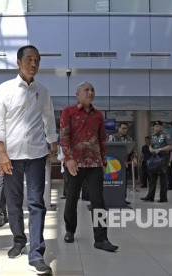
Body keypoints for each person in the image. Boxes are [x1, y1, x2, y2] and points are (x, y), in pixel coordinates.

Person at [0, 45, 58, 275]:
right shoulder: (6, 88)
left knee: (36, 202)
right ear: (18, 62)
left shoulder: (43, 90)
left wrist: (53, 142)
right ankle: (19, 239)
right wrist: (1, 153)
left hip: (37, 155)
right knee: (13, 201)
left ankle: (36, 253)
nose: (34, 63)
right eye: (29, 59)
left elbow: (49, 119)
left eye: (37, 60)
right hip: (11, 156)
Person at [60, 81, 119, 253]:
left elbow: (102, 139)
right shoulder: (68, 112)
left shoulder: (99, 115)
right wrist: (69, 159)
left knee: (98, 201)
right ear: (77, 94)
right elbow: (64, 137)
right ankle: (70, 230)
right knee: (71, 199)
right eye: (86, 90)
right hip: (75, 164)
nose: (90, 92)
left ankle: (101, 239)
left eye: (92, 89)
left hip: (94, 163)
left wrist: (104, 161)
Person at [141, 120, 172, 203]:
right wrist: (151, 149)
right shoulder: (153, 136)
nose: (156, 128)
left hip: (163, 157)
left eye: (158, 126)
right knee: (152, 176)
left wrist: (159, 149)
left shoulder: (166, 135)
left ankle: (163, 198)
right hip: (154, 157)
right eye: (155, 126)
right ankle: (150, 196)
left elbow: (171, 146)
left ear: (162, 127)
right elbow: (150, 146)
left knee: (163, 177)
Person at [108, 122, 136, 204]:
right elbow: (109, 150)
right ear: (119, 128)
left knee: (124, 182)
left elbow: (132, 151)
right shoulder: (113, 138)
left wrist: (134, 158)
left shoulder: (129, 139)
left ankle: (122, 198)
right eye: (123, 128)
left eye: (126, 128)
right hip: (114, 164)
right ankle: (113, 198)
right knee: (114, 182)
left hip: (125, 164)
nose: (124, 130)